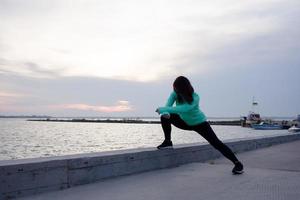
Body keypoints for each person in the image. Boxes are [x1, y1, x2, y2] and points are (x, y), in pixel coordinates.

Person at [155, 76, 244, 174]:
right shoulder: (174, 94)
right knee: (164, 116)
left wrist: (162, 109)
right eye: (174, 88)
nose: (174, 90)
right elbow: (168, 107)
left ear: (182, 88)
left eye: (176, 88)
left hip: (200, 124)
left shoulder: (195, 97)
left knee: (216, 143)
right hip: (184, 122)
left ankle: (237, 163)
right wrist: (165, 112)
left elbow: (184, 108)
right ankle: (168, 142)